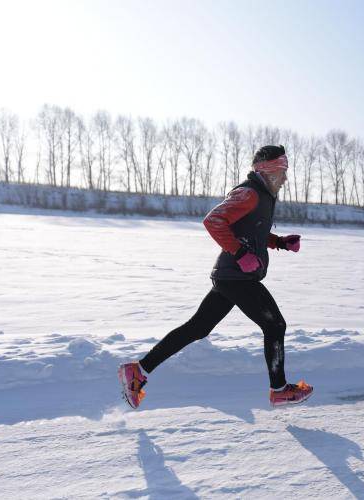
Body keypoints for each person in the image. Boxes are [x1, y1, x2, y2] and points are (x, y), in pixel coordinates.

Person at [118, 145, 313, 409]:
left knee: (197, 328)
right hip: (237, 277)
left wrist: (279, 242)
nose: (285, 178)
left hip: (231, 277)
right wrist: (240, 253)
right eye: (282, 171)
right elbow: (214, 220)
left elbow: (249, 230)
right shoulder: (250, 194)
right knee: (275, 325)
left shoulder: (262, 195)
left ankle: (139, 371)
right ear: (265, 170)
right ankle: (279, 389)